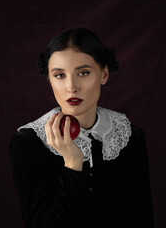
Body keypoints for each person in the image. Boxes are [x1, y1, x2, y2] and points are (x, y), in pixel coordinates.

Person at [9, 28, 154, 228]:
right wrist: (73, 163)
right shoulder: (28, 142)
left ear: (104, 74)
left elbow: (142, 218)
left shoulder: (128, 135)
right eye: (59, 75)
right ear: (49, 79)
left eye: (83, 73)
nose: (71, 87)